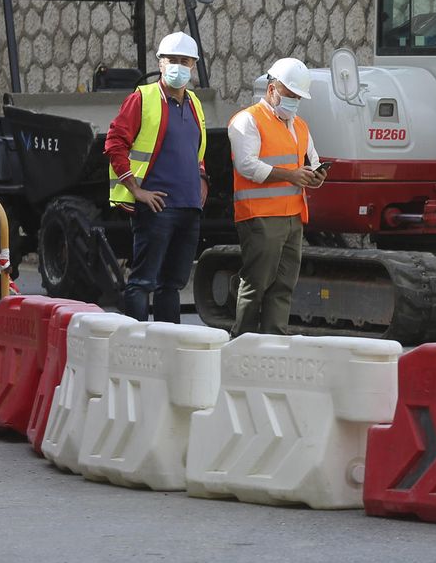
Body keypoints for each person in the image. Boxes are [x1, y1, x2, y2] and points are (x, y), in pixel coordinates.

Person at [103, 31, 208, 324]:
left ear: (193, 66)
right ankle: (135, 344)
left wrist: (202, 178)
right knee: (143, 282)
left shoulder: (195, 104)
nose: (178, 66)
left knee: (171, 285)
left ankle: (167, 345)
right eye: (171, 60)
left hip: (188, 208)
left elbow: (196, 151)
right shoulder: (142, 98)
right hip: (156, 208)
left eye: (184, 61)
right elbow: (115, 143)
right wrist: (136, 189)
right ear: (160, 64)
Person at [229, 58, 324, 336]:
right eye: (290, 95)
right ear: (272, 90)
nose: (293, 101)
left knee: (283, 285)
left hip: (293, 216)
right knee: (257, 282)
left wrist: (317, 176)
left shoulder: (300, 125)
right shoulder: (247, 120)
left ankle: (274, 340)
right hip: (260, 216)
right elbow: (246, 165)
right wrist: (290, 175)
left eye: (297, 97)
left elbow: (313, 161)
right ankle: (242, 339)